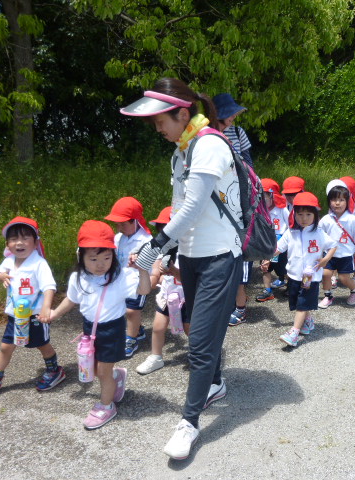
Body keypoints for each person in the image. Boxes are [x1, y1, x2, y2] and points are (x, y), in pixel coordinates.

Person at [120, 78, 243, 460]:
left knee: (200, 342)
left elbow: (193, 207)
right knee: (199, 329)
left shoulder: (207, 144)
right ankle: (216, 384)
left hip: (221, 255)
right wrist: (168, 254)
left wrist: (153, 247)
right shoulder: (183, 150)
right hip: (191, 256)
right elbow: (179, 208)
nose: (158, 129)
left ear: (183, 113)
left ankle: (189, 423)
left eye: (162, 122)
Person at [49, 220, 151, 430]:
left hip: (112, 330)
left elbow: (143, 291)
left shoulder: (120, 277)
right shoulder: (79, 277)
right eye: (93, 258)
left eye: (106, 257)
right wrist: (54, 314)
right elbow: (71, 299)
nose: (100, 264)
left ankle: (106, 406)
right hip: (89, 330)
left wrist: (142, 270)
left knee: (102, 373)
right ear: (81, 256)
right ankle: (116, 376)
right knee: (94, 369)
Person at [0, 217, 64, 394]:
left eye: (25, 238)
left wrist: (46, 307)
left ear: (36, 242)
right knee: (6, 346)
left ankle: (54, 370)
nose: (19, 243)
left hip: (35, 316)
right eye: (13, 239)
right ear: (8, 244)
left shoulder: (39, 264)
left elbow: (49, 286)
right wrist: (1, 276)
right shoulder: (10, 260)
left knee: (42, 344)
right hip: (15, 315)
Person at [273, 192, 336, 347]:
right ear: (294, 214)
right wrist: (267, 257)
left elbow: (333, 245)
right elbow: (279, 248)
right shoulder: (291, 232)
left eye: (308, 214)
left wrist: (326, 259)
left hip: (310, 276)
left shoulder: (319, 233)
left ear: (315, 215)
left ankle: (294, 332)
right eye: (300, 214)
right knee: (297, 302)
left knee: (302, 304)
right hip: (293, 275)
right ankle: (307, 322)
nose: (304, 218)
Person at [213, 93, 254, 325]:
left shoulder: (238, 133)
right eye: (227, 114)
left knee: (237, 237)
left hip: (238, 192)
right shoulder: (207, 133)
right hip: (216, 193)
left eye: (232, 114)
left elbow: (249, 161)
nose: (230, 118)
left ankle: (239, 303)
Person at [136, 207, 190, 375]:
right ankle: (155, 356)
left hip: (187, 297)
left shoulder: (188, 252)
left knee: (191, 330)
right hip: (167, 295)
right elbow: (153, 279)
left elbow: (190, 280)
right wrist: (146, 272)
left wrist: (173, 270)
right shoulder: (161, 251)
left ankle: (200, 354)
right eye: (160, 230)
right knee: (158, 328)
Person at [105, 196, 152, 357]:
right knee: (124, 309)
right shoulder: (119, 238)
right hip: (121, 281)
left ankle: (131, 339)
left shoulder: (146, 240)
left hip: (138, 282)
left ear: (135, 221)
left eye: (123, 224)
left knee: (132, 311)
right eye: (117, 224)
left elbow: (152, 264)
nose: (119, 227)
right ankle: (137, 330)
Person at [318, 180, 355, 306]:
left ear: (347, 201)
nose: (337, 203)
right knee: (326, 274)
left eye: (341, 200)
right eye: (334, 200)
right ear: (329, 201)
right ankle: (328, 296)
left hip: (346, 254)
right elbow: (319, 235)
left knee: (344, 278)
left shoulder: (352, 219)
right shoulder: (326, 219)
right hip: (329, 254)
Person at [256, 178, 290, 303]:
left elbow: (290, 226)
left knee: (284, 269)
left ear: (273, 196)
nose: (263, 200)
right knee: (265, 267)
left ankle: (290, 285)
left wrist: (285, 239)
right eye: (260, 196)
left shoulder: (282, 210)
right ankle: (267, 290)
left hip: (280, 244)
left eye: (265, 196)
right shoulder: (259, 210)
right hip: (266, 243)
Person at [212, 93, 253, 167]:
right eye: (229, 113)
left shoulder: (238, 132)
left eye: (234, 112)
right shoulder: (207, 134)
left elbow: (248, 164)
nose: (234, 115)